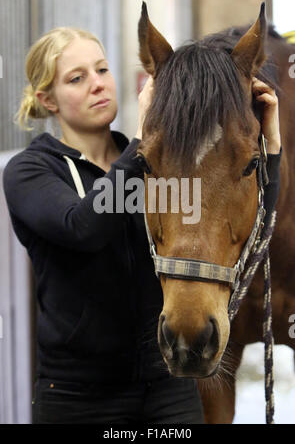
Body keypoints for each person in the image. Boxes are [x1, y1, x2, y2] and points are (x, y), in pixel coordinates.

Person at [3, 27, 281, 425]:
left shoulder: (157, 168)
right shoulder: (30, 171)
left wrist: (269, 149)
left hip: (168, 393)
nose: (97, 84)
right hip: (79, 399)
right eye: (77, 78)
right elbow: (84, 226)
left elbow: (250, 228)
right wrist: (145, 137)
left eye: (101, 70)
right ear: (48, 100)